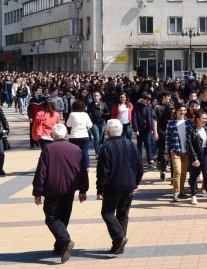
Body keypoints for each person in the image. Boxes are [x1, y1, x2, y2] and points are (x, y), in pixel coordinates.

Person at [32, 123, 89, 263]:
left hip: (52, 190)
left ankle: (65, 240)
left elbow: (41, 172)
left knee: (51, 218)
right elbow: (83, 171)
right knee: (63, 217)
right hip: (70, 189)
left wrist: (37, 192)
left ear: (52, 135)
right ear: (66, 135)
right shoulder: (76, 149)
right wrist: (83, 190)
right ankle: (60, 246)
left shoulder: (48, 149)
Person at [96, 119, 143, 255]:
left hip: (113, 186)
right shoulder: (130, 144)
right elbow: (139, 166)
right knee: (123, 214)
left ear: (108, 132)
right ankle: (118, 244)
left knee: (107, 212)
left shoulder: (106, 147)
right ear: (121, 131)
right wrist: (136, 182)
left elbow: (103, 172)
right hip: (129, 185)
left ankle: (119, 237)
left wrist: (100, 189)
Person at [186, 110, 207, 207]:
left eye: (206, 118)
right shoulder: (191, 130)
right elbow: (189, 145)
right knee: (194, 176)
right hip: (196, 155)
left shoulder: (206, 129)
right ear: (198, 119)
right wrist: (194, 158)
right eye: (203, 118)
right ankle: (193, 195)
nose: (205, 120)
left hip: (205, 155)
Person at [165, 105, 194, 202]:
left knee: (184, 173)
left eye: (184, 110)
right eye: (180, 110)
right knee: (177, 171)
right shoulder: (171, 123)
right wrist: (166, 151)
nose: (182, 112)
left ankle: (182, 191)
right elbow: (167, 138)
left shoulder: (189, 122)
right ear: (176, 111)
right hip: (175, 150)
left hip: (186, 151)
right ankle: (175, 193)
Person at [65, 101, 93, 170]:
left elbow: (68, 124)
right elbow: (90, 125)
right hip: (84, 135)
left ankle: (74, 166)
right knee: (85, 151)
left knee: (74, 152)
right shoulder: (85, 114)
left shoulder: (72, 114)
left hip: (74, 136)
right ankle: (86, 166)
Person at [87, 91, 110, 156]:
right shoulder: (90, 104)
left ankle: (100, 149)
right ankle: (97, 153)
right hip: (94, 123)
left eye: (97, 95)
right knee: (96, 137)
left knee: (100, 137)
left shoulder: (103, 104)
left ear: (100, 96)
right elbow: (87, 113)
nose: (95, 97)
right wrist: (90, 118)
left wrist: (103, 114)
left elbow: (108, 112)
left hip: (102, 122)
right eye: (94, 95)